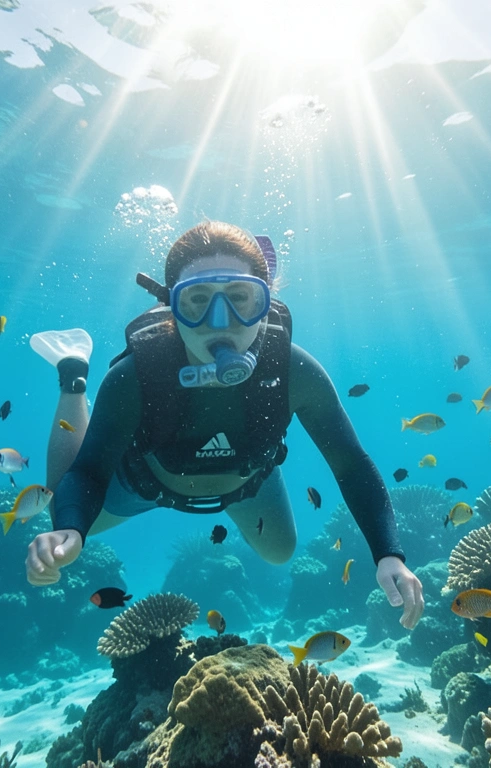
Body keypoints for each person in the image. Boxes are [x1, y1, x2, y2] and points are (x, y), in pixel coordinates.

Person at [24, 221, 424, 629]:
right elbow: (89, 471)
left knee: (280, 551)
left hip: (246, 480)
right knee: (58, 513)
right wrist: (70, 529)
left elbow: (352, 464)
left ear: (264, 302)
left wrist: (388, 553)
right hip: (144, 481)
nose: (220, 321)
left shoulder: (294, 371)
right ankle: (73, 376)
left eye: (239, 298)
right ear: (171, 309)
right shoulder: (134, 376)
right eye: (197, 301)